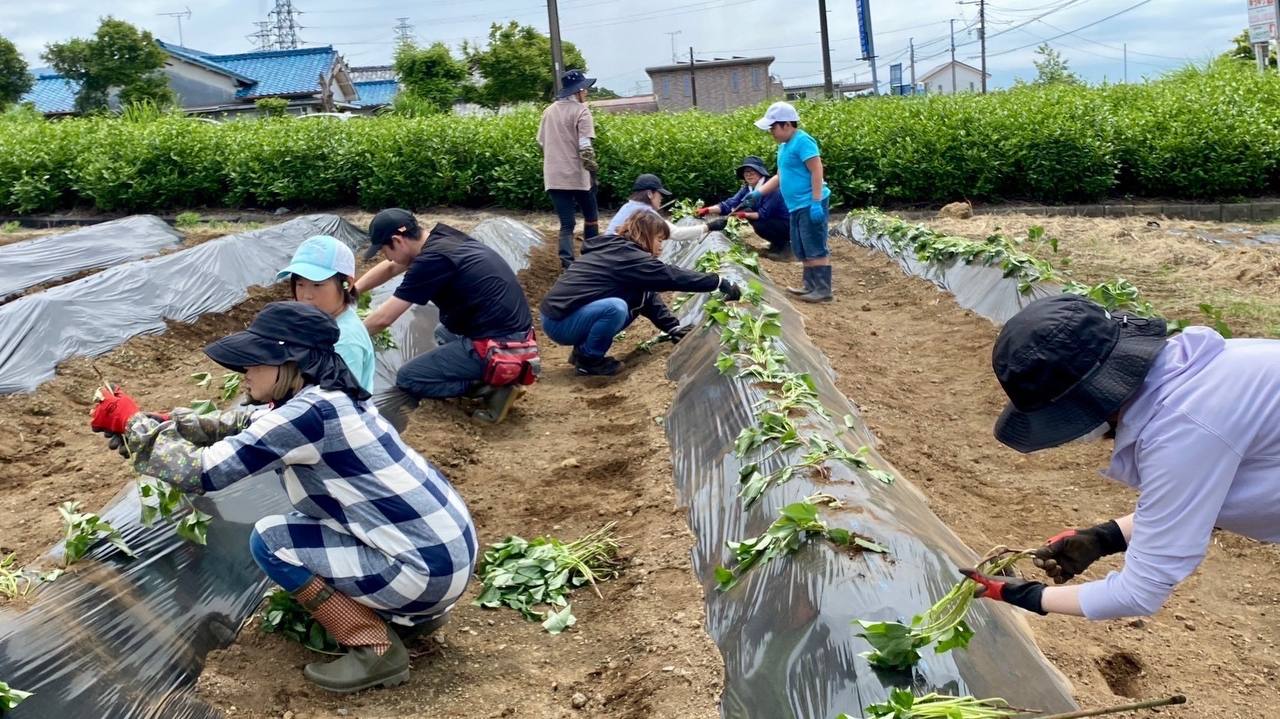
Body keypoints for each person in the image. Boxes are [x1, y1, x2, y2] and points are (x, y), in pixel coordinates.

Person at [88, 302, 477, 693]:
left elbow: (202, 472)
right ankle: (414, 618)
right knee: (312, 525)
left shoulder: (305, 417)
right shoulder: (330, 398)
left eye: (255, 362)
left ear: (290, 362)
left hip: (425, 571)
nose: (245, 373)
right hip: (448, 553)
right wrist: (166, 424)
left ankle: (375, 649)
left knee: (273, 541)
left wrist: (133, 424)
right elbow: (244, 422)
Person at [960, 294, 1280, 622]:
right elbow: (1201, 499)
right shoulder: (1194, 370)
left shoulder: (1183, 428)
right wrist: (1104, 537)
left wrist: (1024, 595)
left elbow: (1138, 593)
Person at [356, 209, 538, 427]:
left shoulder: (432, 260)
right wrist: (354, 290)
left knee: (409, 378)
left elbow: (383, 319)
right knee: (443, 331)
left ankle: (493, 386)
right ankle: (486, 372)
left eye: (384, 250)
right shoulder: (442, 238)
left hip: (500, 345)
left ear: (397, 240)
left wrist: (344, 336)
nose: (386, 256)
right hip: (515, 332)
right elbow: (393, 266)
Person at [541, 211, 741, 376]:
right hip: (560, 321)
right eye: (659, 239)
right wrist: (718, 281)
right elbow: (670, 276)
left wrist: (672, 327)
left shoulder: (618, 250)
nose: (661, 246)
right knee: (615, 309)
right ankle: (589, 361)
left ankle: (582, 352)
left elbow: (646, 296)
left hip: (561, 315)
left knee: (629, 304)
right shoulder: (630, 257)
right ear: (645, 235)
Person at [741, 101, 833, 303]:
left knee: (815, 244)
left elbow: (817, 170)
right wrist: (759, 193)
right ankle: (810, 286)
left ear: (787, 124)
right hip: (797, 206)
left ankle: (823, 290)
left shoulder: (803, 141)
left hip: (810, 202)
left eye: (773, 127)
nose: (771, 132)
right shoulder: (783, 147)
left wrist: (816, 201)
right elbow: (781, 175)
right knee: (802, 246)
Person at [277, 235, 376, 391]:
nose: (306, 295)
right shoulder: (322, 322)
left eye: (317, 285)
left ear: (347, 284)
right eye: (300, 284)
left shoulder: (343, 341)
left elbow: (337, 403)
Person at [538, 68, 600, 269]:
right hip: (577, 175)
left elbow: (541, 142)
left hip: (554, 176)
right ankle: (591, 259)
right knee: (591, 217)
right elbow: (585, 147)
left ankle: (567, 265)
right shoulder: (582, 111)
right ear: (579, 90)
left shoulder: (548, 111)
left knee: (566, 224)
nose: (587, 93)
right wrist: (593, 172)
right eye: (585, 89)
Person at [696, 156, 792, 260]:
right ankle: (776, 245)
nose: (749, 174)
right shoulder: (747, 189)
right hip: (773, 221)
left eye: (752, 171)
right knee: (754, 218)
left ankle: (785, 248)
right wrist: (707, 210)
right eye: (746, 172)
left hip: (788, 224)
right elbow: (730, 204)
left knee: (759, 223)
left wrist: (743, 214)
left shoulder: (773, 188)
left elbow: (763, 213)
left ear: (760, 172)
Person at [604, 174, 711, 243]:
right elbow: (677, 233)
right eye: (660, 194)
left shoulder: (628, 206)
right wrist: (709, 227)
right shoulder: (645, 212)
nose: (661, 198)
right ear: (650, 194)